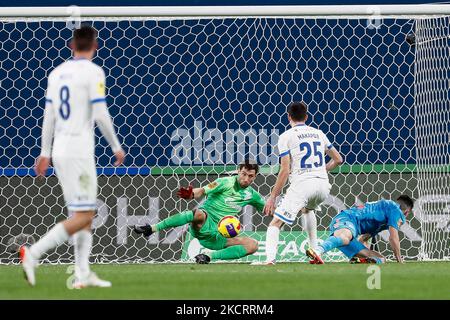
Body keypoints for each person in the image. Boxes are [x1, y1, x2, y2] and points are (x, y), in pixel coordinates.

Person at [20, 25, 125, 287]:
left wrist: (45, 152)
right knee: (85, 216)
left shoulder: (56, 73)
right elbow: (100, 113)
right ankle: (33, 254)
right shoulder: (93, 72)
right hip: (79, 151)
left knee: (82, 211)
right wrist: (115, 146)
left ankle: (82, 274)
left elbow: (49, 115)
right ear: (96, 46)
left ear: (71, 45)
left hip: (60, 150)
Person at [134, 162, 266, 264]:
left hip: (220, 236)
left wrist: (281, 212)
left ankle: (208, 256)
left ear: (255, 177)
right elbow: (202, 191)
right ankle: (152, 228)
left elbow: (268, 210)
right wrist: (191, 194)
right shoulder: (224, 182)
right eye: (243, 174)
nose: (246, 179)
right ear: (238, 171)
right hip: (204, 224)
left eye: (250, 176)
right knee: (198, 214)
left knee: (252, 245)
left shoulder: (252, 195)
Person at [261, 101, 343, 265]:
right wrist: (321, 170)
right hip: (322, 186)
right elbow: (339, 159)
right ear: (306, 117)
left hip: (303, 184)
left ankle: (269, 260)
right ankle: (316, 252)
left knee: (275, 223)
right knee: (308, 209)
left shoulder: (286, 136)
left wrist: (272, 197)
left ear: (288, 117)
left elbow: (285, 170)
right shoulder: (318, 132)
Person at [306, 195, 414, 264]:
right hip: (347, 219)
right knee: (346, 237)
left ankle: (358, 261)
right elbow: (393, 238)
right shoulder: (395, 209)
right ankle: (317, 250)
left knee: (380, 259)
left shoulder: (381, 221)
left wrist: (365, 256)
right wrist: (400, 260)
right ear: (406, 212)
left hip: (349, 230)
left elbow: (363, 238)